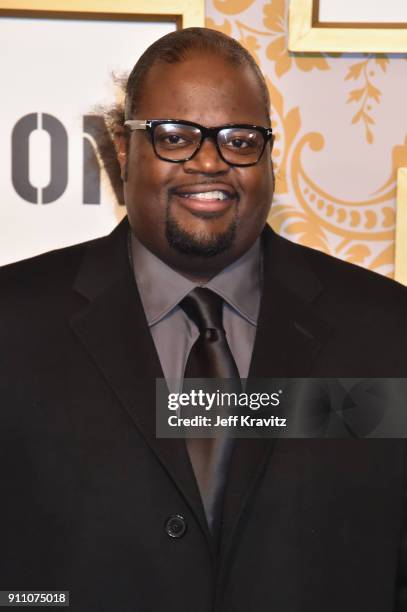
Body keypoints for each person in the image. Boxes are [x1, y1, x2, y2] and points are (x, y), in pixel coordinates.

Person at [1, 27, 407, 612]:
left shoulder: (387, 336)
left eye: (240, 139)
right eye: (174, 137)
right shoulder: (12, 327)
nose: (210, 161)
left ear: (269, 154)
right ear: (122, 147)